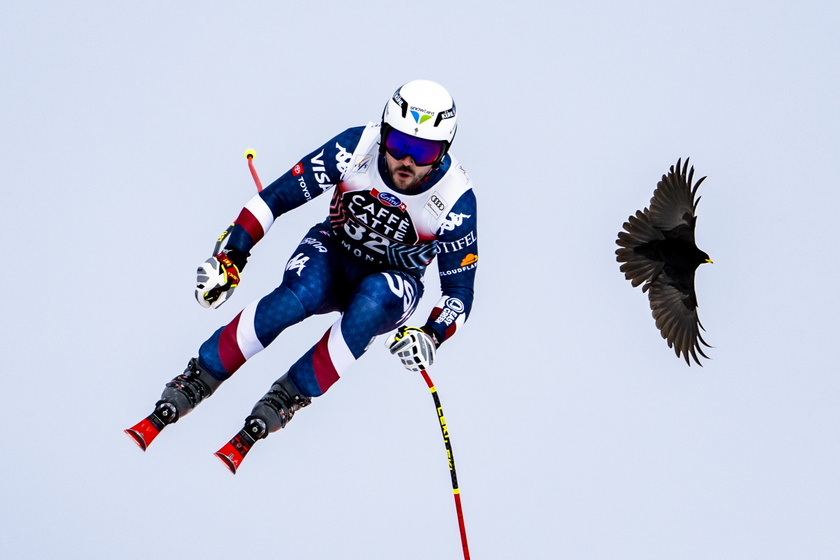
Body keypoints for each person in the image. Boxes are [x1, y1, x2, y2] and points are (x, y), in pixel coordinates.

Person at [126, 80, 479, 465]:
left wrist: (431, 335)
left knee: (372, 302)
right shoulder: (357, 146)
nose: (406, 161)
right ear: (384, 133)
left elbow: (459, 292)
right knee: (301, 294)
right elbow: (275, 198)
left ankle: (289, 395)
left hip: (395, 281)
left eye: (423, 150)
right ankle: (198, 376)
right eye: (397, 143)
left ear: (443, 150)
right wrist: (232, 259)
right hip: (334, 251)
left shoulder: (456, 199)